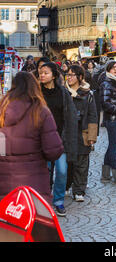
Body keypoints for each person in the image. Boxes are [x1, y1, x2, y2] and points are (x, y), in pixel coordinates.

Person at [0, 72, 64, 204]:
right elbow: (53, 151)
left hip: (4, 182)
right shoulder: (41, 111)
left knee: (7, 223)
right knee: (33, 222)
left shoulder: (2, 110)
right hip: (34, 184)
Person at [39, 62, 78, 216]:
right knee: (45, 172)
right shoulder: (37, 93)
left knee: (62, 171)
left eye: (45, 73)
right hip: (43, 140)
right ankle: (45, 201)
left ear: (54, 75)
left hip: (60, 138)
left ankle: (59, 201)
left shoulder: (63, 92)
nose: (42, 75)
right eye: (40, 73)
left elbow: (71, 115)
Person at [65, 64, 98, 201]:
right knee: (68, 163)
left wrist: (92, 137)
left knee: (82, 162)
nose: (69, 77)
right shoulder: (63, 92)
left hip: (82, 131)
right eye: (68, 74)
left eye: (72, 75)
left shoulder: (87, 94)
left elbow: (93, 115)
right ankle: (66, 185)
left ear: (79, 77)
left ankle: (79, 190)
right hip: (66, 132)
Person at [99, 60, 116, 184]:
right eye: (113, 68)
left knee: (112, 145)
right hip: (112, 119)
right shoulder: (106, 83)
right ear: (108, 69)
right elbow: (105, 103)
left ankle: (105, 174)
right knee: (114, 147)